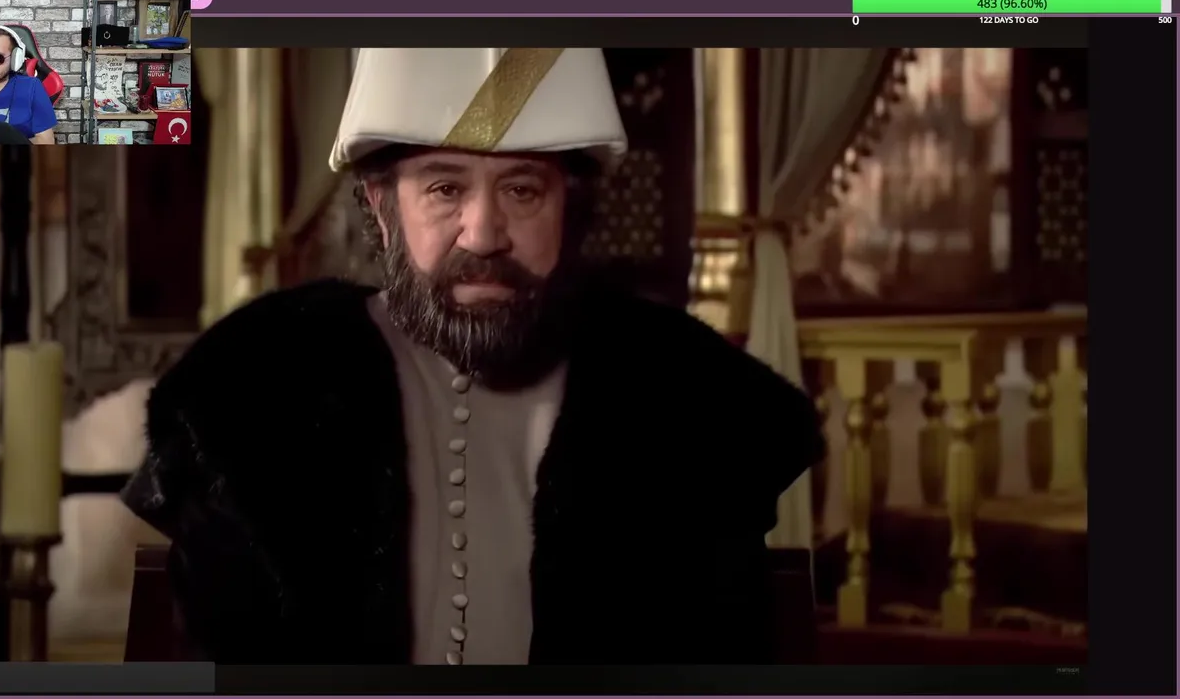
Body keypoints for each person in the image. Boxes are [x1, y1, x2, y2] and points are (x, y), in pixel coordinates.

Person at [121, 48, 825, 665]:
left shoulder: (696, 405)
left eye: (522, 189)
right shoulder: (246, 394)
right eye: (444, 188)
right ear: (382, 206)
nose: (484, 233)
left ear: (570, 207)